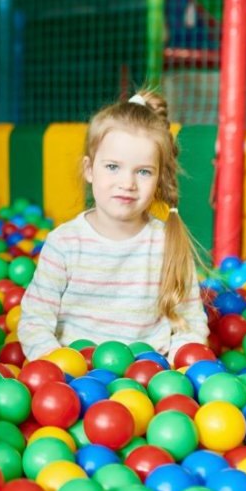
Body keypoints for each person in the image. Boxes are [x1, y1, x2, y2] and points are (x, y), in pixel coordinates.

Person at [17, 90, 209, 364]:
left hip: (147, 380)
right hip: (76, 383)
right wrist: (56, 366)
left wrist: (181, 368)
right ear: (89, 169)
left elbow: (189, 325)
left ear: (159, 178)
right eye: (112, 167)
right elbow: (35, 320)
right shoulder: (65, 243)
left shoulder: (168, 243)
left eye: (143, 171)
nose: (127, 183)